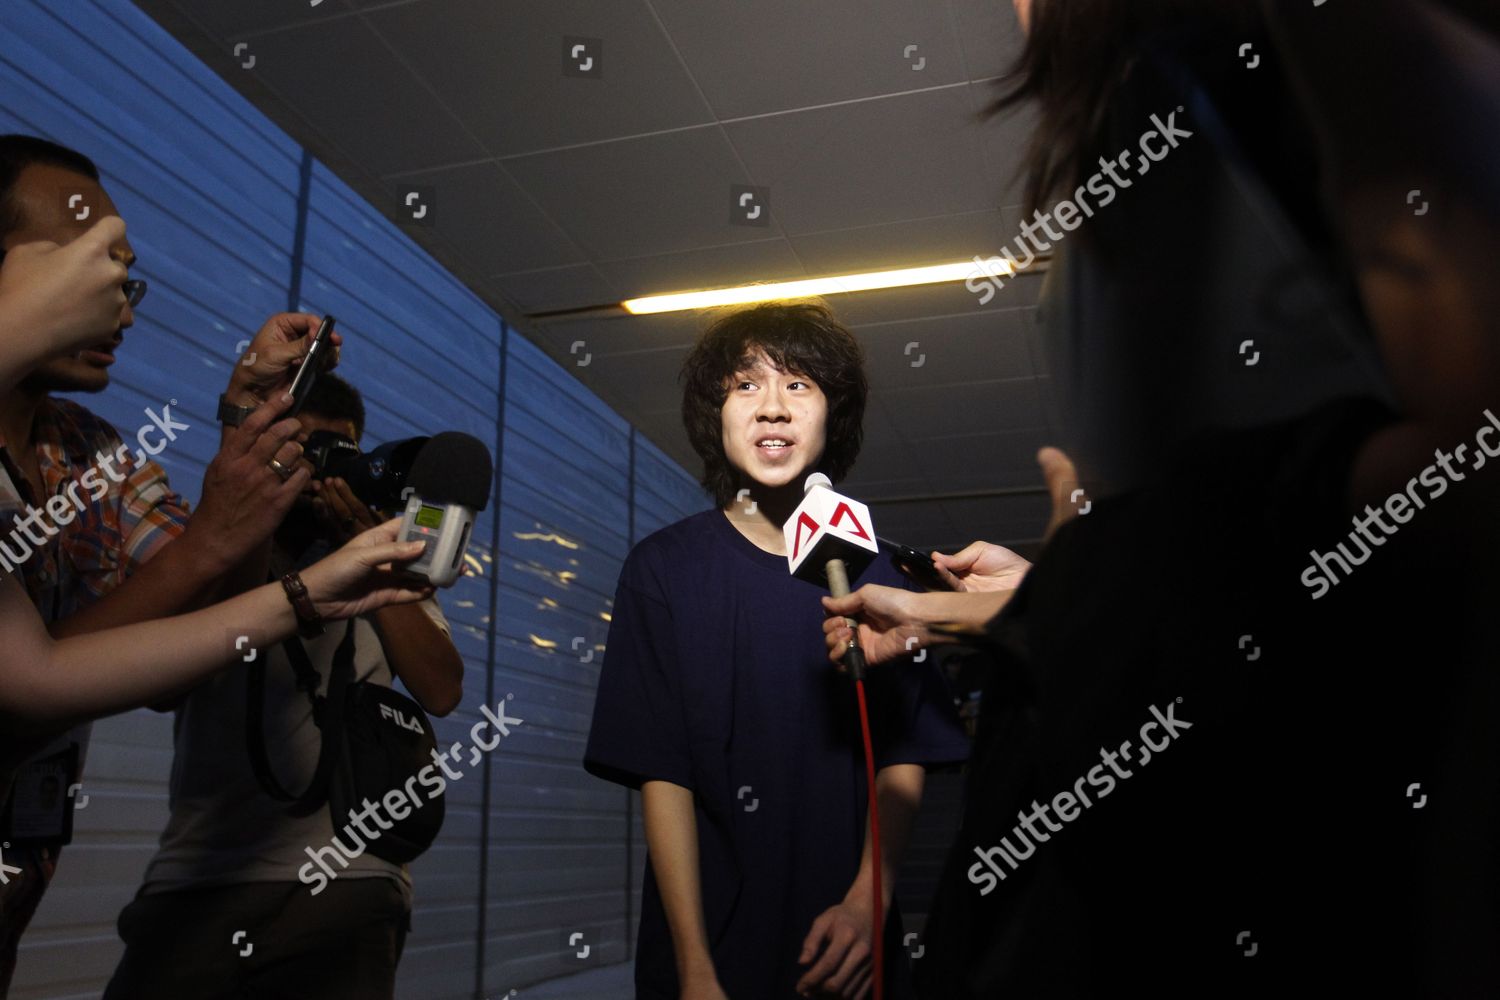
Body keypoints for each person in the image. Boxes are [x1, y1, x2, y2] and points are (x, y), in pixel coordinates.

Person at [822, 0, 1500, 996]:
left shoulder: (1290, 69)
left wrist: (1116, 561)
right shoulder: (1141, 124)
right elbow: (1194, 582)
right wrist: (1045, 587)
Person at [0, 218, 435, 995]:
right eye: (80, 256)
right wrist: (253, 541)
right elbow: (144, 661)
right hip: (198, 881)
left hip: (343, 885)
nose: (117, 300)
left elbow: (66, 672)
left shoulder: (98, 457)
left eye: (130, 280)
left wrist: (350, 559)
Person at [583, 301, 969, 1000]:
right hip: (710, 955)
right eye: (745, 384)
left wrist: (867, 905)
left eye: (799, 385)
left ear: (831, 415)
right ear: (717, 412)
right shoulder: (662, 569)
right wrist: (693, 967)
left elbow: (903, 757)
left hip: (853, 953)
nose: (772, 407)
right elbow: (661, 776)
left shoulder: (884, 576)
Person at [104, 373, 462, 1000]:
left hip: (346, 884)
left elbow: (441, 689)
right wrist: (251, 527)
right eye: (306, 451)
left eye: (341, 454)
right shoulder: (212, 546)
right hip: (199, 879)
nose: (324, 473)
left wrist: (361, 550)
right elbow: (159, 689)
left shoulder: (381, 556)